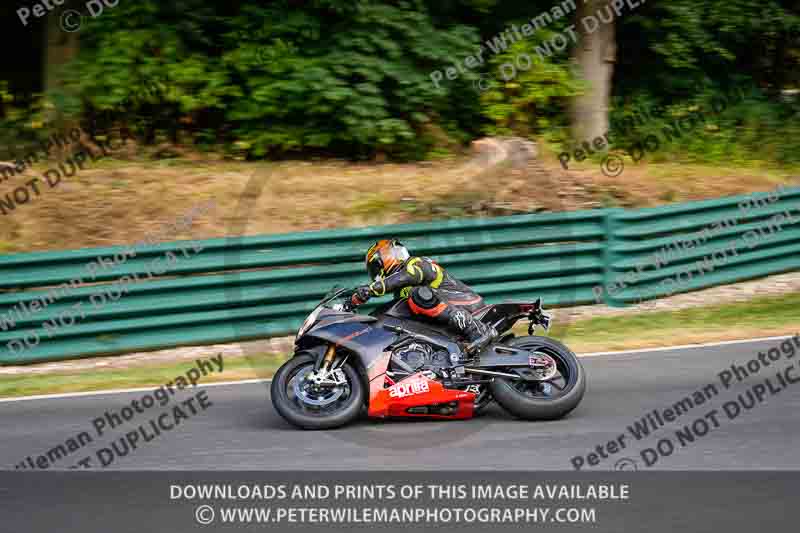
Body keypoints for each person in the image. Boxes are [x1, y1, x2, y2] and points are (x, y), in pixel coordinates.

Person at [350, 239, 497, 356]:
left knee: (418, 295)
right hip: (446, 321)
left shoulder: (416, 263)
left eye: (375, 267)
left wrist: (370, 290)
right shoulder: (400, 292)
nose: (375, 274)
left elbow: (405, 277)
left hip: (465, 302)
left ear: (386, 257)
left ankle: (477, 330)